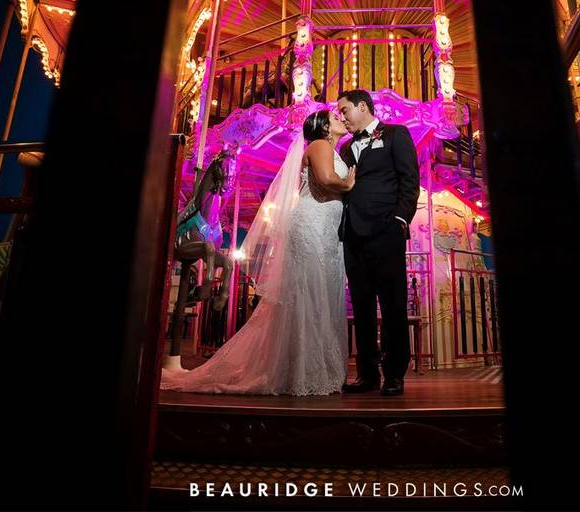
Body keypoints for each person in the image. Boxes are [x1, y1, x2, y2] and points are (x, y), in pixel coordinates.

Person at [160, 110, 355, 395]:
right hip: (312, 225)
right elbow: (326, 180)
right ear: (324, 127)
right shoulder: (320, 145)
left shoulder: (329, 148)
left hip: (324, 229)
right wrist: (349, 183)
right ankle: (302, 371)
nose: (341, 119)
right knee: (308, 295)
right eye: (336, 117)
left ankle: (310, 368)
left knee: (317, 296)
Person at [337, 89, 420, 397]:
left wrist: (400, 220)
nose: (342, 117)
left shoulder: (396, 134)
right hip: (352, 234)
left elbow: (410, 180)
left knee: (393, 303)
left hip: (386, 230)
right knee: (361, 306)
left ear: (363, 107)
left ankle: (395, 374)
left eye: (345, 110)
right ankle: (367, 374)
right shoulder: (346, 147)